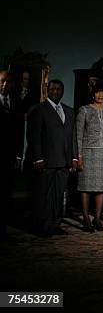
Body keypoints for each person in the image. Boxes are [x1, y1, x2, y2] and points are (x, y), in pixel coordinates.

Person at [26, 79, 77, 237]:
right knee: (43, 195)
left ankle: (55, 224)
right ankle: (41, 226)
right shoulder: (38, 109)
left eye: (59, 89)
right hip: (46, 161)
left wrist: (74, 158)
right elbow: (34, 136)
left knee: (58, 195)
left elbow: (72, 137)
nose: (56, 91)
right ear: (47, 90)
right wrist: (38, 158)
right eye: (53, 89)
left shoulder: (69, 111)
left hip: (64, 162)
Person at [75, 84, 103, 232]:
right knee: (85, 187)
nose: (100, 95)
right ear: (93, 94)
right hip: (88, 153)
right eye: (98, 93)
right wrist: (79, 156)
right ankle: (86, 218)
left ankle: (97, 219)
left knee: (101, 187)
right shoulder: (84, 110)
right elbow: (78, 136)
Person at [0, 70, 24, 240]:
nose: (4, 84)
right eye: (2, 81)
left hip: (9, 157)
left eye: (8, 81)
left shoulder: (15, 103)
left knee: (6, 193)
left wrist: (18, 155)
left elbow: (19, 131)